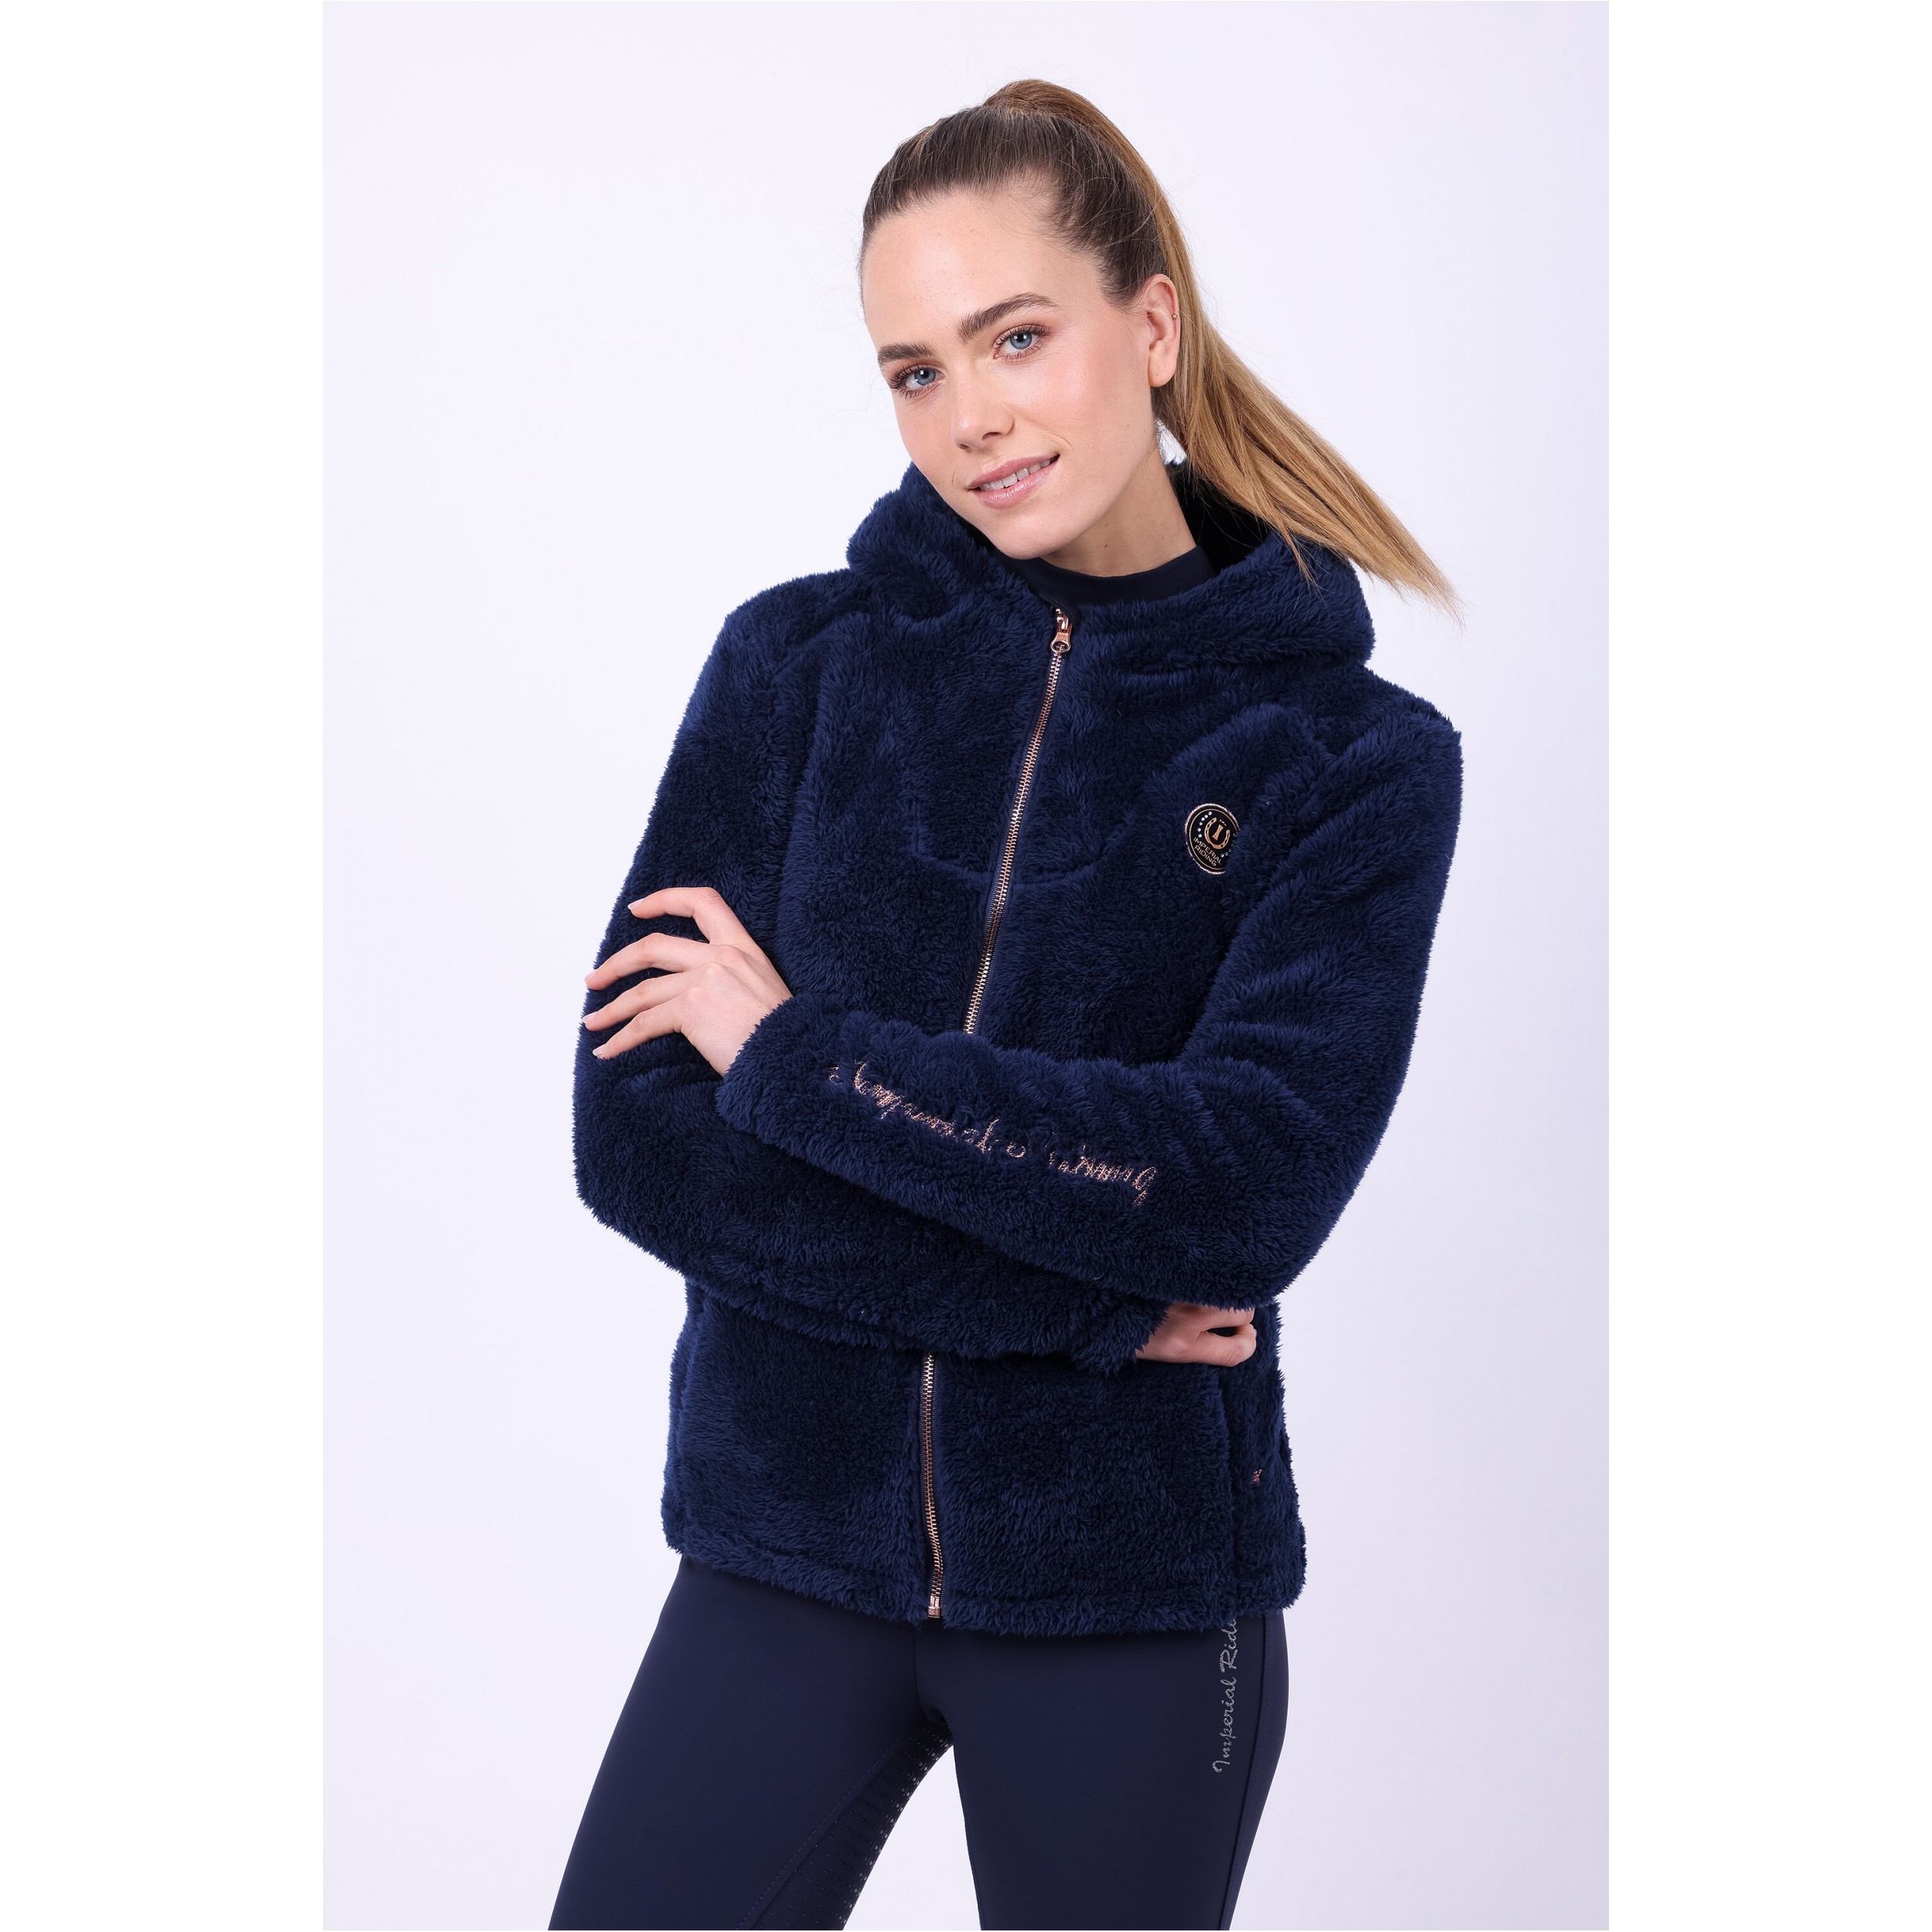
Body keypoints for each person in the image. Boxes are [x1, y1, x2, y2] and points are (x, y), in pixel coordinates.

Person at [549, 79, 1462, 1932]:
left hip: (1127, 1585)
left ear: (1151, 324)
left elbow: (1236, 1186)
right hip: (780, 1547)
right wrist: (1090, 1306)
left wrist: (789, 1057)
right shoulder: (796, 663)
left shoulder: (1349, 755)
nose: (966, 413)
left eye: (1015, 337)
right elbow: (638, 1141)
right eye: (913, 369)